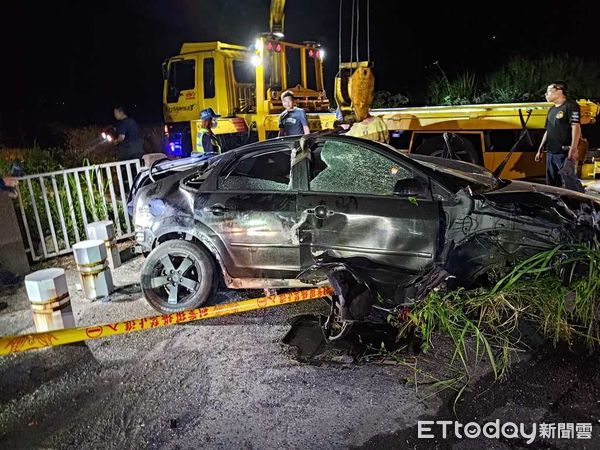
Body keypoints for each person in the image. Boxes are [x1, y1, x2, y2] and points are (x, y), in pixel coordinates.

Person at [535, 81, 584, 192]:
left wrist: (574, 148)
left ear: (560, 91)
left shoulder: (571, 106)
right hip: (551, 152)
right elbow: (548, 131)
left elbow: (576, 127)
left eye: (549, 91)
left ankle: (583, 204)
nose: (546, 94)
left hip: (564, 152)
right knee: (552, 184)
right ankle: (556, 204)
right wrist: (540, 149)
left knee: (570, 181)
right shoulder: (551, 110)